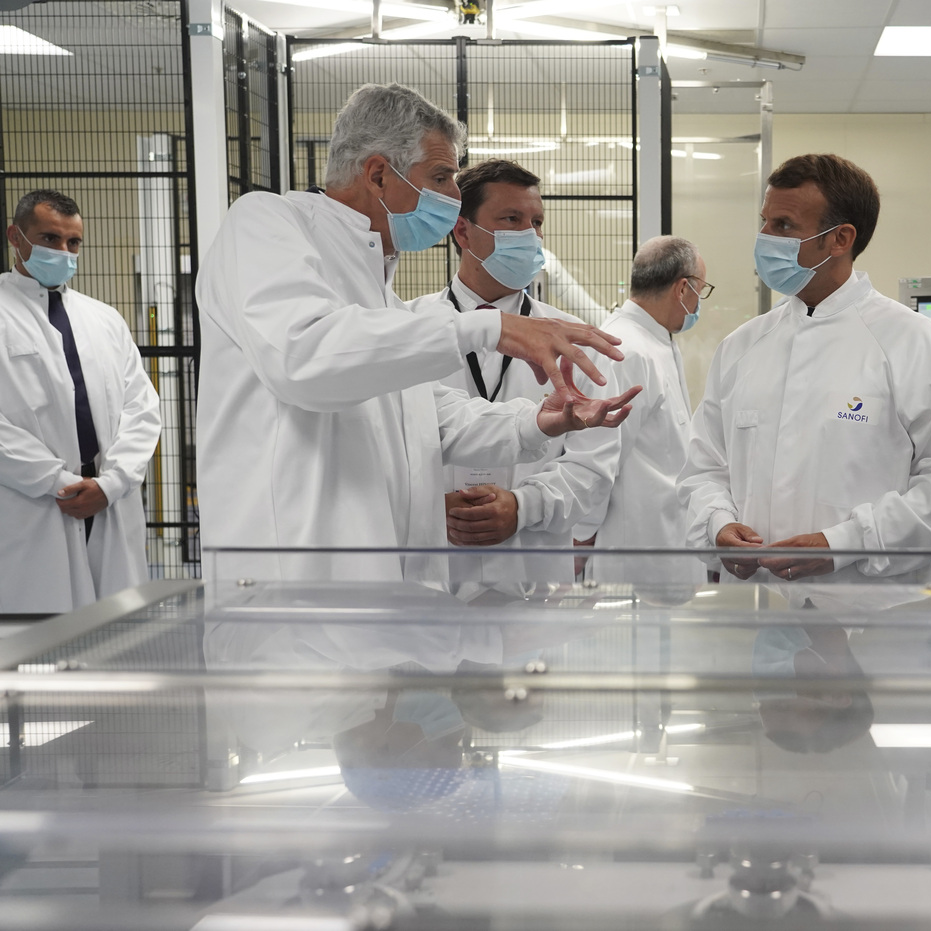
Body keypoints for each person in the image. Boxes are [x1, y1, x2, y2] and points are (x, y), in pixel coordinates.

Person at [196, 84, 639, 585]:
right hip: (294, 580)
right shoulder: (266, 222)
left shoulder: (376, 282)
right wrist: (489, 326)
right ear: (379, 173)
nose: (454, 196)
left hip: (386, 584)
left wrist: (539, 421)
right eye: (442, 176)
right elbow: (304, 357)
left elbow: (425, 416)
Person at [678, 154, 931, 583]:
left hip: (866, 616)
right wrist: (716, 523)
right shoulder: (742, 347)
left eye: (784, 226)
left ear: (840, 238)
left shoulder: (913, 342)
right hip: (752, 609)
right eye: (765, 221)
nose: (764, 237)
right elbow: (704, 467)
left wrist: (847, 542)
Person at [408, 159, 633, 595]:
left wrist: (523, 505)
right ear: (462, 232)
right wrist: (429, 508)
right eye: (511, 220)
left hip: (534, 575)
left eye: (537, 223)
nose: (530, 235)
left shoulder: (576, 341)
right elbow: (386, 449)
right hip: (431, 569)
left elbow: (594, 467)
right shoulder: (409, 329)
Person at [0, 190, 161, 613]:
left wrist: (112, 483)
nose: (63, 252)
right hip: (32, 501)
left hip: (108, 500)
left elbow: (142, 407)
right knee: (38, 640)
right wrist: (57, 482)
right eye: (49, 238)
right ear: (15, 237)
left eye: (73, 243)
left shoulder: (104, 318)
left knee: (116, 634)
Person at [573, 235, 709, 585]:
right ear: (683, 289)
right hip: (630, 555)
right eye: (701, 291)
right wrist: (579, 543)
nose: (699, 303)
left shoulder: (657, 342)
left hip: (666, 545)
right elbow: (595, 463)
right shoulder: (624, 351)